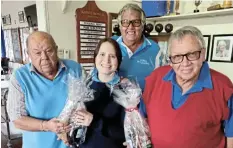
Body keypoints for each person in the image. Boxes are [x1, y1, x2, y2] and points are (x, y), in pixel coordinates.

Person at [143, 26, 233, 148]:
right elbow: (141, 116)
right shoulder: (156, 78)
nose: (185, 63)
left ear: (203, 54)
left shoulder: (223, 86)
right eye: (177, 57)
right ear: (170, 59)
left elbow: (231, 136)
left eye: (192, 54)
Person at [7, 31, 86, 148]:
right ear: (28, 54)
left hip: (72, 143)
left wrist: (71, 124)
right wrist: (46, 126)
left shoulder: (74, 68)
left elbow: (85, 102)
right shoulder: (20, 77)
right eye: (37, 53)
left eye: (49, 51)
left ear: (56, 49)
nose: (44, 57)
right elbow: (17, 119)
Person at [65, 38, 126, 148]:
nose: (106, 60)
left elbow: (124, 134)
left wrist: (94, 121)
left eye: (112, 56)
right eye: (102, 54)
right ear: (95, 57)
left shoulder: (126, 90)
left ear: (119, 60)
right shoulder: (84, 85)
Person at [112, 3, 162, 116]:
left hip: (144, 112)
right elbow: (96, 74)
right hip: (112, 113)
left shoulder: (156, 50)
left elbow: (161, 84)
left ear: (143, 25)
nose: (130, 27)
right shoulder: (110, 45)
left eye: (136, 22)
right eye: (125, 22)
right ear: (120, 25)